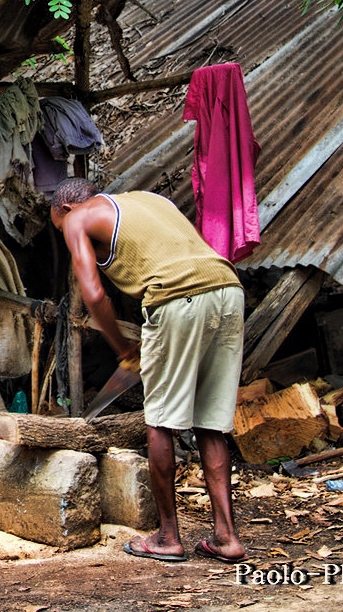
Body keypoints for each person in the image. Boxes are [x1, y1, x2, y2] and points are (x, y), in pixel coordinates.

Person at [50, 179, 248, 565]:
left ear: (66, 209)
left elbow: (93, 294)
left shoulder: (78, 219)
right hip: (228, 290)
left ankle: (168, 537)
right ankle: (227, 538)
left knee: (160, 422)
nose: (69, 237)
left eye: (60, 229)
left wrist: (123, 349)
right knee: (210, 424)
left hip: (178, 298)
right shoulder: (150, 201)